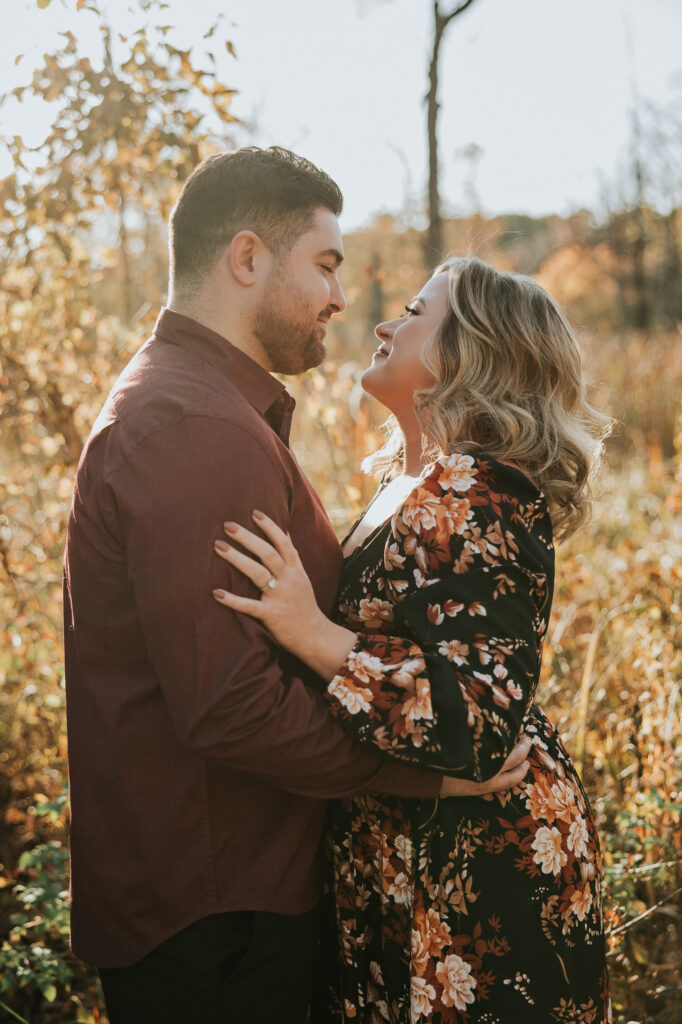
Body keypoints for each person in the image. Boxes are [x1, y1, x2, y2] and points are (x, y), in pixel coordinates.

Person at [63, 148, 529, 1024]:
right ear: (247, 259)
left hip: (230, 897)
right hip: (215, 919)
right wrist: (425, 778)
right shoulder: (192, 425)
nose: (341, 299)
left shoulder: (208, 409)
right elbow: (228, 705)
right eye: (324, 264)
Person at [212, 256, 614, 1023]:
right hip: (406, 850)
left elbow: (479, 721)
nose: (386, 323)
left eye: (414, 310)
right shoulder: (412, 483)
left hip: (482, 862)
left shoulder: (477, 491)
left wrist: (317, 636)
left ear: (471, 351)